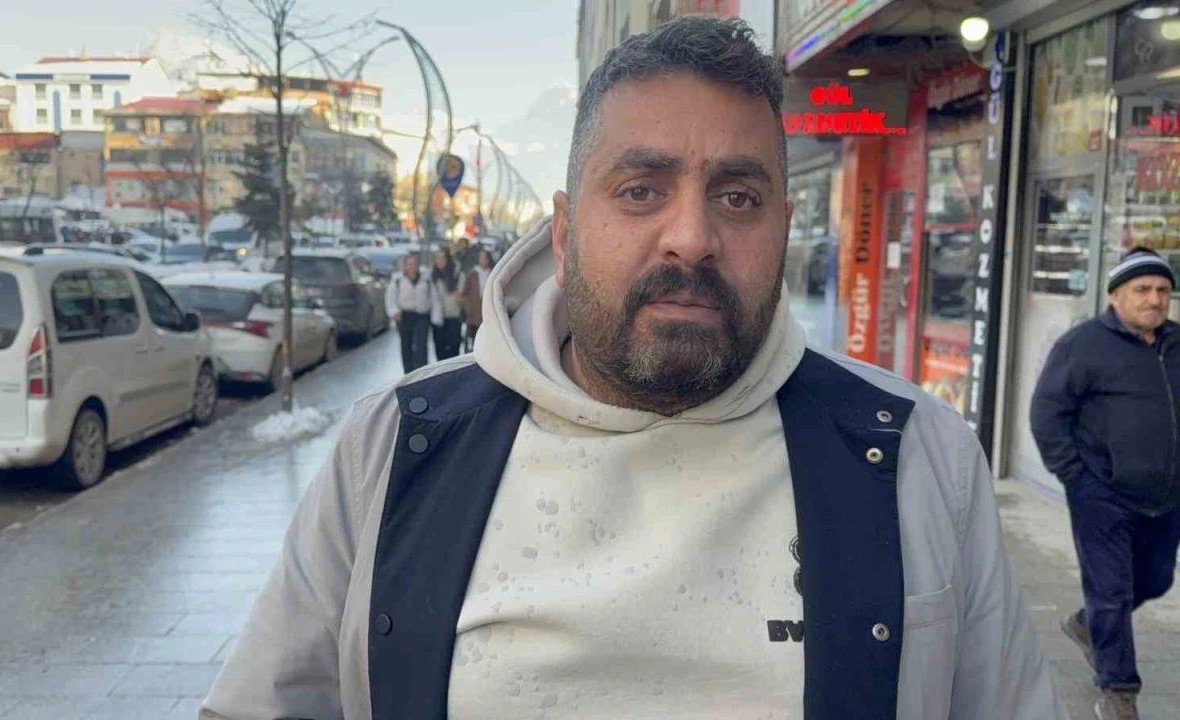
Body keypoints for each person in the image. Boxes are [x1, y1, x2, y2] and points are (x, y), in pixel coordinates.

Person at [201, 16, 1065, 720]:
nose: (691, 237)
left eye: (738, 197)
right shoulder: (394, 445)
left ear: (783, 227)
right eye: (641, 190)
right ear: (565, 233)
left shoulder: (918, 457)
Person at [1030, 246, 1180, 720]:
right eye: (1142, 289)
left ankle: (1089, 625)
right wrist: (1076, 477)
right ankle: (1118, 690)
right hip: (1102, 494)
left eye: (1163, 290)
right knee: (1110, 592)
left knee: (1156, 579)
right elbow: (1047, 412)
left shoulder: (1177, 344)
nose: (1154, 299)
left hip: (1167, 495)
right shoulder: (1083, 344)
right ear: (1116, 296)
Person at [384, 252, 442, 374]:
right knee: (406, 346)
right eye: (410, 264)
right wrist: (394, 312)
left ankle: (422, 373)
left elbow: (434, 298)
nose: (412, 267)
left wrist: (436, 317)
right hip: (404, 316)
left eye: (415, 264)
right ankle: (408, 374)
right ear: (405, 266)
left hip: (421, 316)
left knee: (421, 346)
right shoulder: (398, 280)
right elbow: (391, 298)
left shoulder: (426, 279)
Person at [431, 248, 464, 361]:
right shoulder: (432, 276)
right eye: (437, 258)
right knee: (440, 349)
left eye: (442, 258)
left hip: (454, 315)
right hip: (438, 317)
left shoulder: (456, 275)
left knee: (454, 348)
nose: (439, 261)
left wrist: (459, 296)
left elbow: (462, 293)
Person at [461, 247, 493, 352]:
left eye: (485, 258)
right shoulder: (472, 274)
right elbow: (465, 293)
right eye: (481, 258)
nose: (483, 260)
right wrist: (468, 307)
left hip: (487, 314)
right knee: (473, 341)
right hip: (473, 314)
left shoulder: (492, 273)